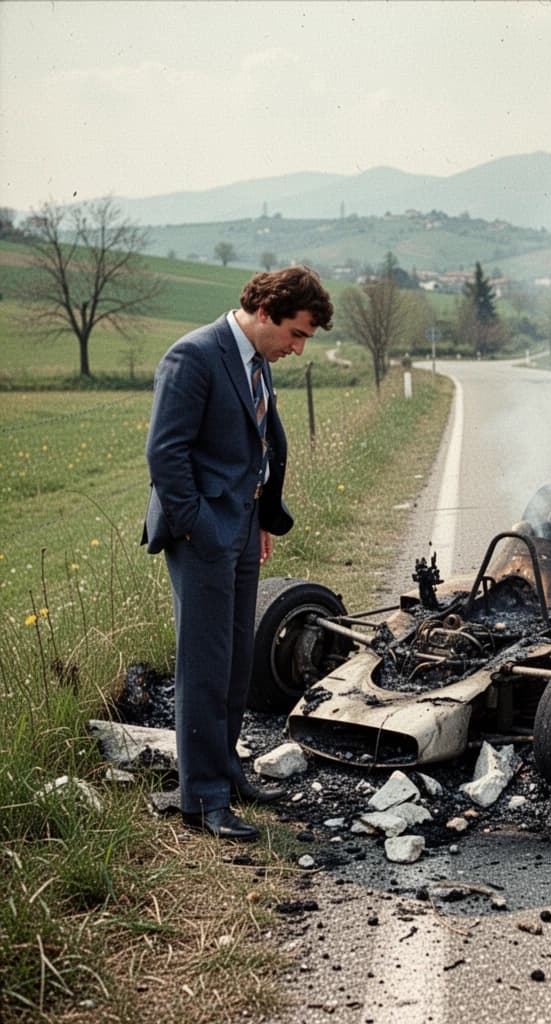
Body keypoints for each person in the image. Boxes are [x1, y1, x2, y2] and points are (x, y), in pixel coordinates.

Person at [143, 267, 333, 840]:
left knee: (234, 664)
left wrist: (257, 517)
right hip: (202, 534)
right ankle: (200, 800)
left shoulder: (256, 362)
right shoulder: (194, 356)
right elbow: (166, 455)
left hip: (242, 528)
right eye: (297, 334)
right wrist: (202, 527)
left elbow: (259, 444)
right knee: (203, 665)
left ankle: (224, 774)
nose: (298, 349)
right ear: (268, 311)